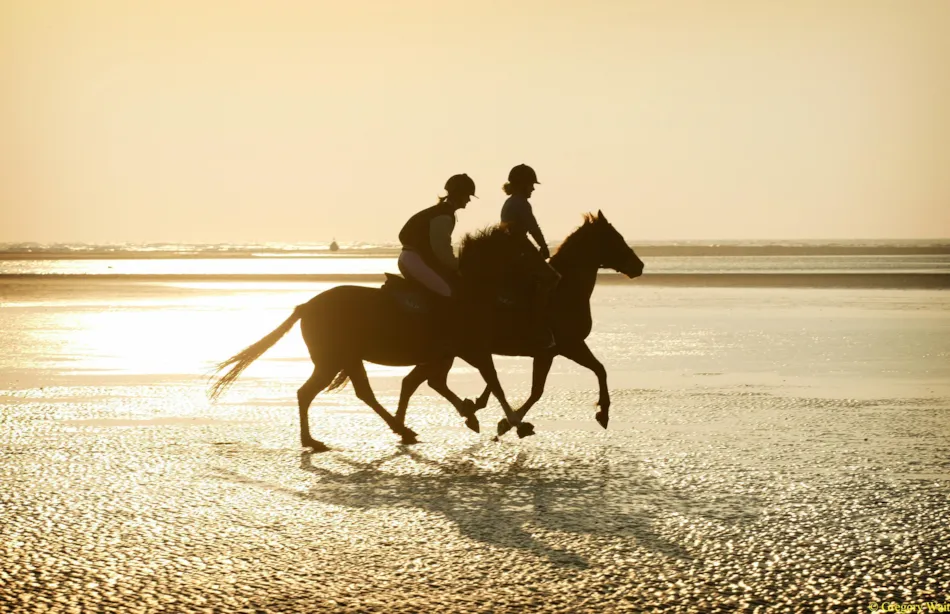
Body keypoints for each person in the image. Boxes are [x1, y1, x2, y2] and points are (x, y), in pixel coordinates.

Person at [500, 164, 558, 349]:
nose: (533, 188)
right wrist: (543, 246)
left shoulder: (510, 202)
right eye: (531, 185)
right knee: (550, 278)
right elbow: (533, 227)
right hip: (519, 247)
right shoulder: (521, 203)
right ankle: (538, 324)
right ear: (522, 185)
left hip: (513, 247)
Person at [397, 173, 476, 298]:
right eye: (467, 195)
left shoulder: (441, 211)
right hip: (414, 261)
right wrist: (459, 267)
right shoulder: (444, 216)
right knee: (448, 293)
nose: (469, 200)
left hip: (413, 259)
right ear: (459, 195)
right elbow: (442, 251)